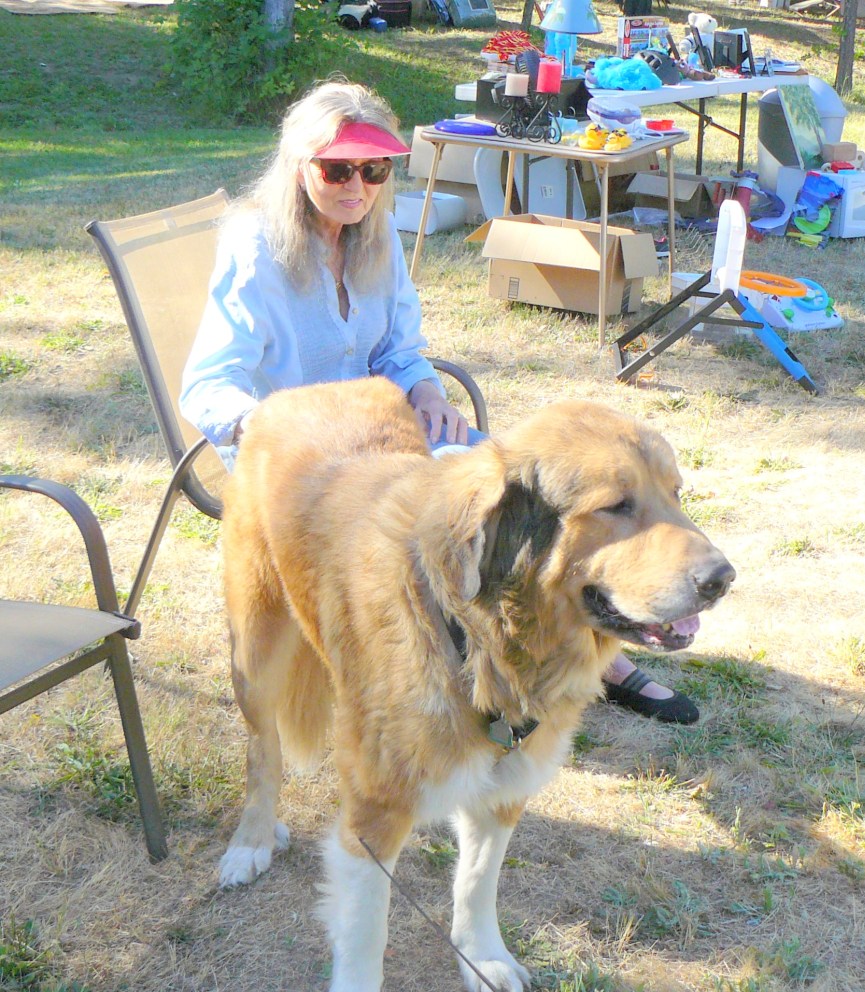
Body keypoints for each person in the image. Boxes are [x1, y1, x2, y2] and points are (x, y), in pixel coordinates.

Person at [179, 79, 698, 726]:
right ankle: (488, 669)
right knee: (451, 513)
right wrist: (281, 428)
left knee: (516, 488)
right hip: (298, 465)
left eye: (374, 170)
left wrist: (425, 391)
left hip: (382, 438)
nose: (357, 188)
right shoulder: (256, 248)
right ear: (297, 167)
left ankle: (588, 646)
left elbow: (397, 350)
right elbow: (207, 385)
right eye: (338, 169)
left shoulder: (374, 236)